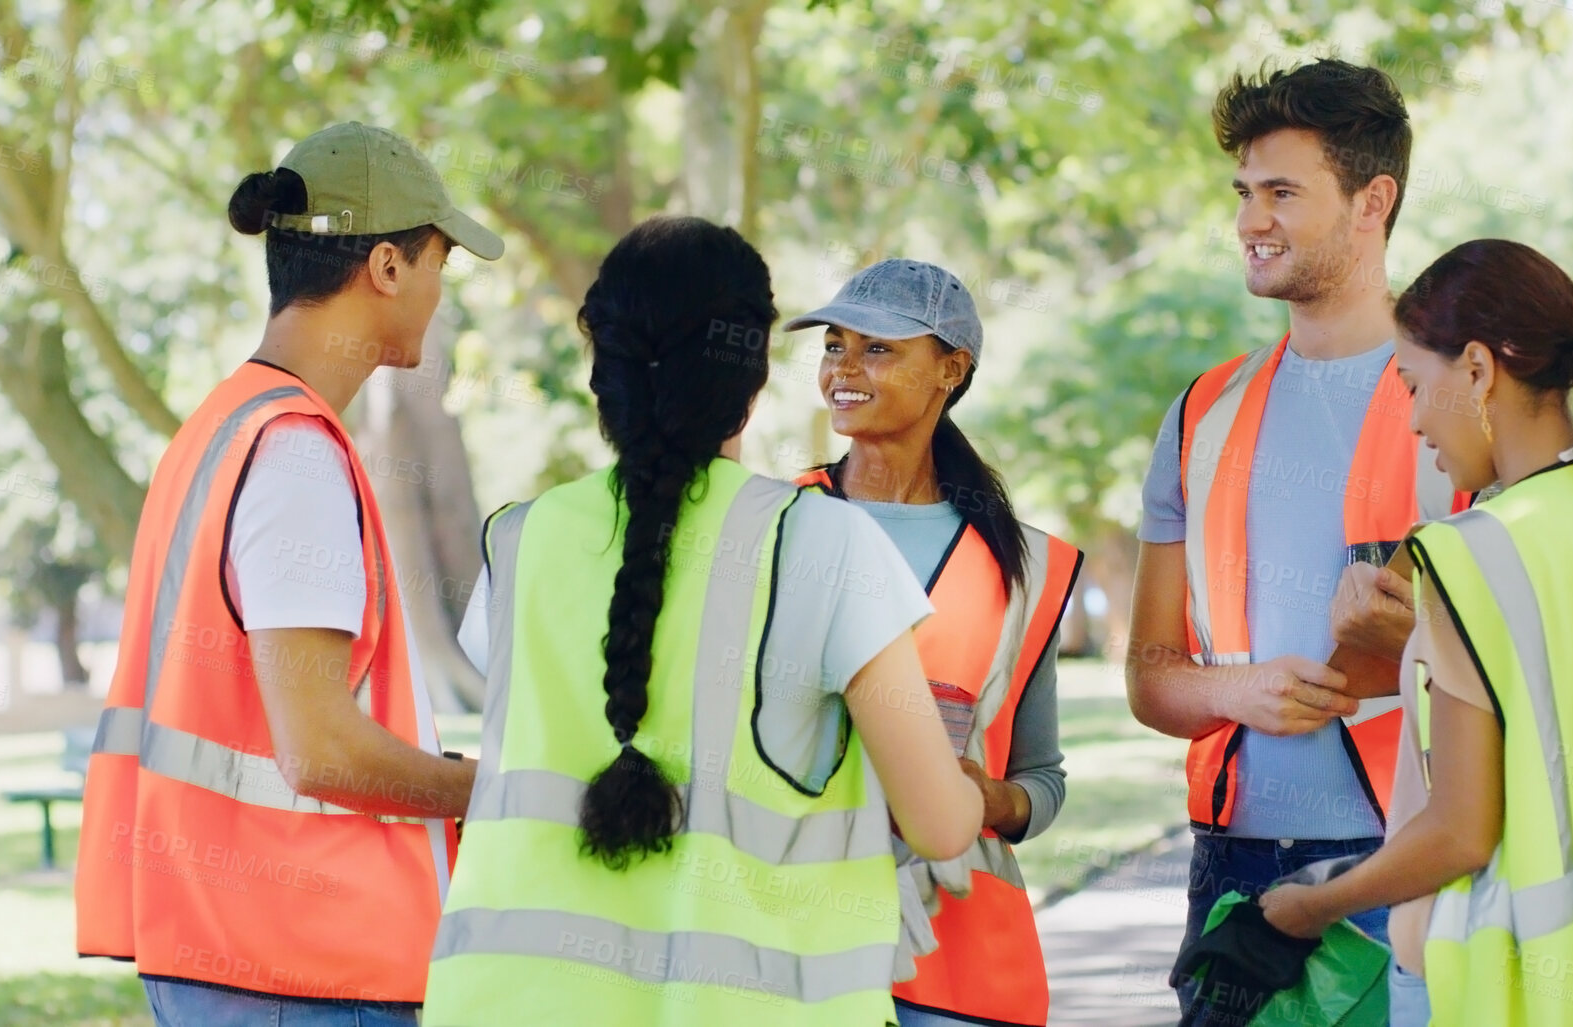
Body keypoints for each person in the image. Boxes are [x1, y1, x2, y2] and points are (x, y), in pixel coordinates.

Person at [423, 217, 984, 1026]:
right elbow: (938, 824)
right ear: (752, 374)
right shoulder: (822, 541)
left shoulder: (517, 537)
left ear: (603, 371)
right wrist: (970, 789)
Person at [1258, 239, 1573, 1025]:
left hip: (1519, 990)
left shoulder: (1469, 550)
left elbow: (1458, 831)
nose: (1415, 420)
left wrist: (1308, 905)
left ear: (1480, 369)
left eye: (1415, 385)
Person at [75, 122, 503, 1024]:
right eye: (438, 264)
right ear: (387, 266)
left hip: (235, 953)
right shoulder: (295, 452)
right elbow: (319, 748)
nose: (439, 293)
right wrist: (502, 790)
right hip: (300, 968)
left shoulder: (224, 426)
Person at [1121, 58, 1470, 1012]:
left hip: (1412, 855)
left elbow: (1540, 662)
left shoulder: (1465, 400)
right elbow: (1150, 675)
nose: (1248, 221)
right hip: (1233, 873)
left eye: (1281, 192)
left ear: (1373, 201)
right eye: (1242, 193)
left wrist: (1413, 652)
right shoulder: (1201, 412)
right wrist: (1238, 688)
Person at [784, 259, 1085, 1027]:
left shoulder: (1029, 565)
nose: (843, 370)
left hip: (962, 967)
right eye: (833, 345)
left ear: (951, 370)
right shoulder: (771, 524)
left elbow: (1040, 778)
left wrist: (989, 800)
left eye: (877, 349)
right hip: (795, 949)